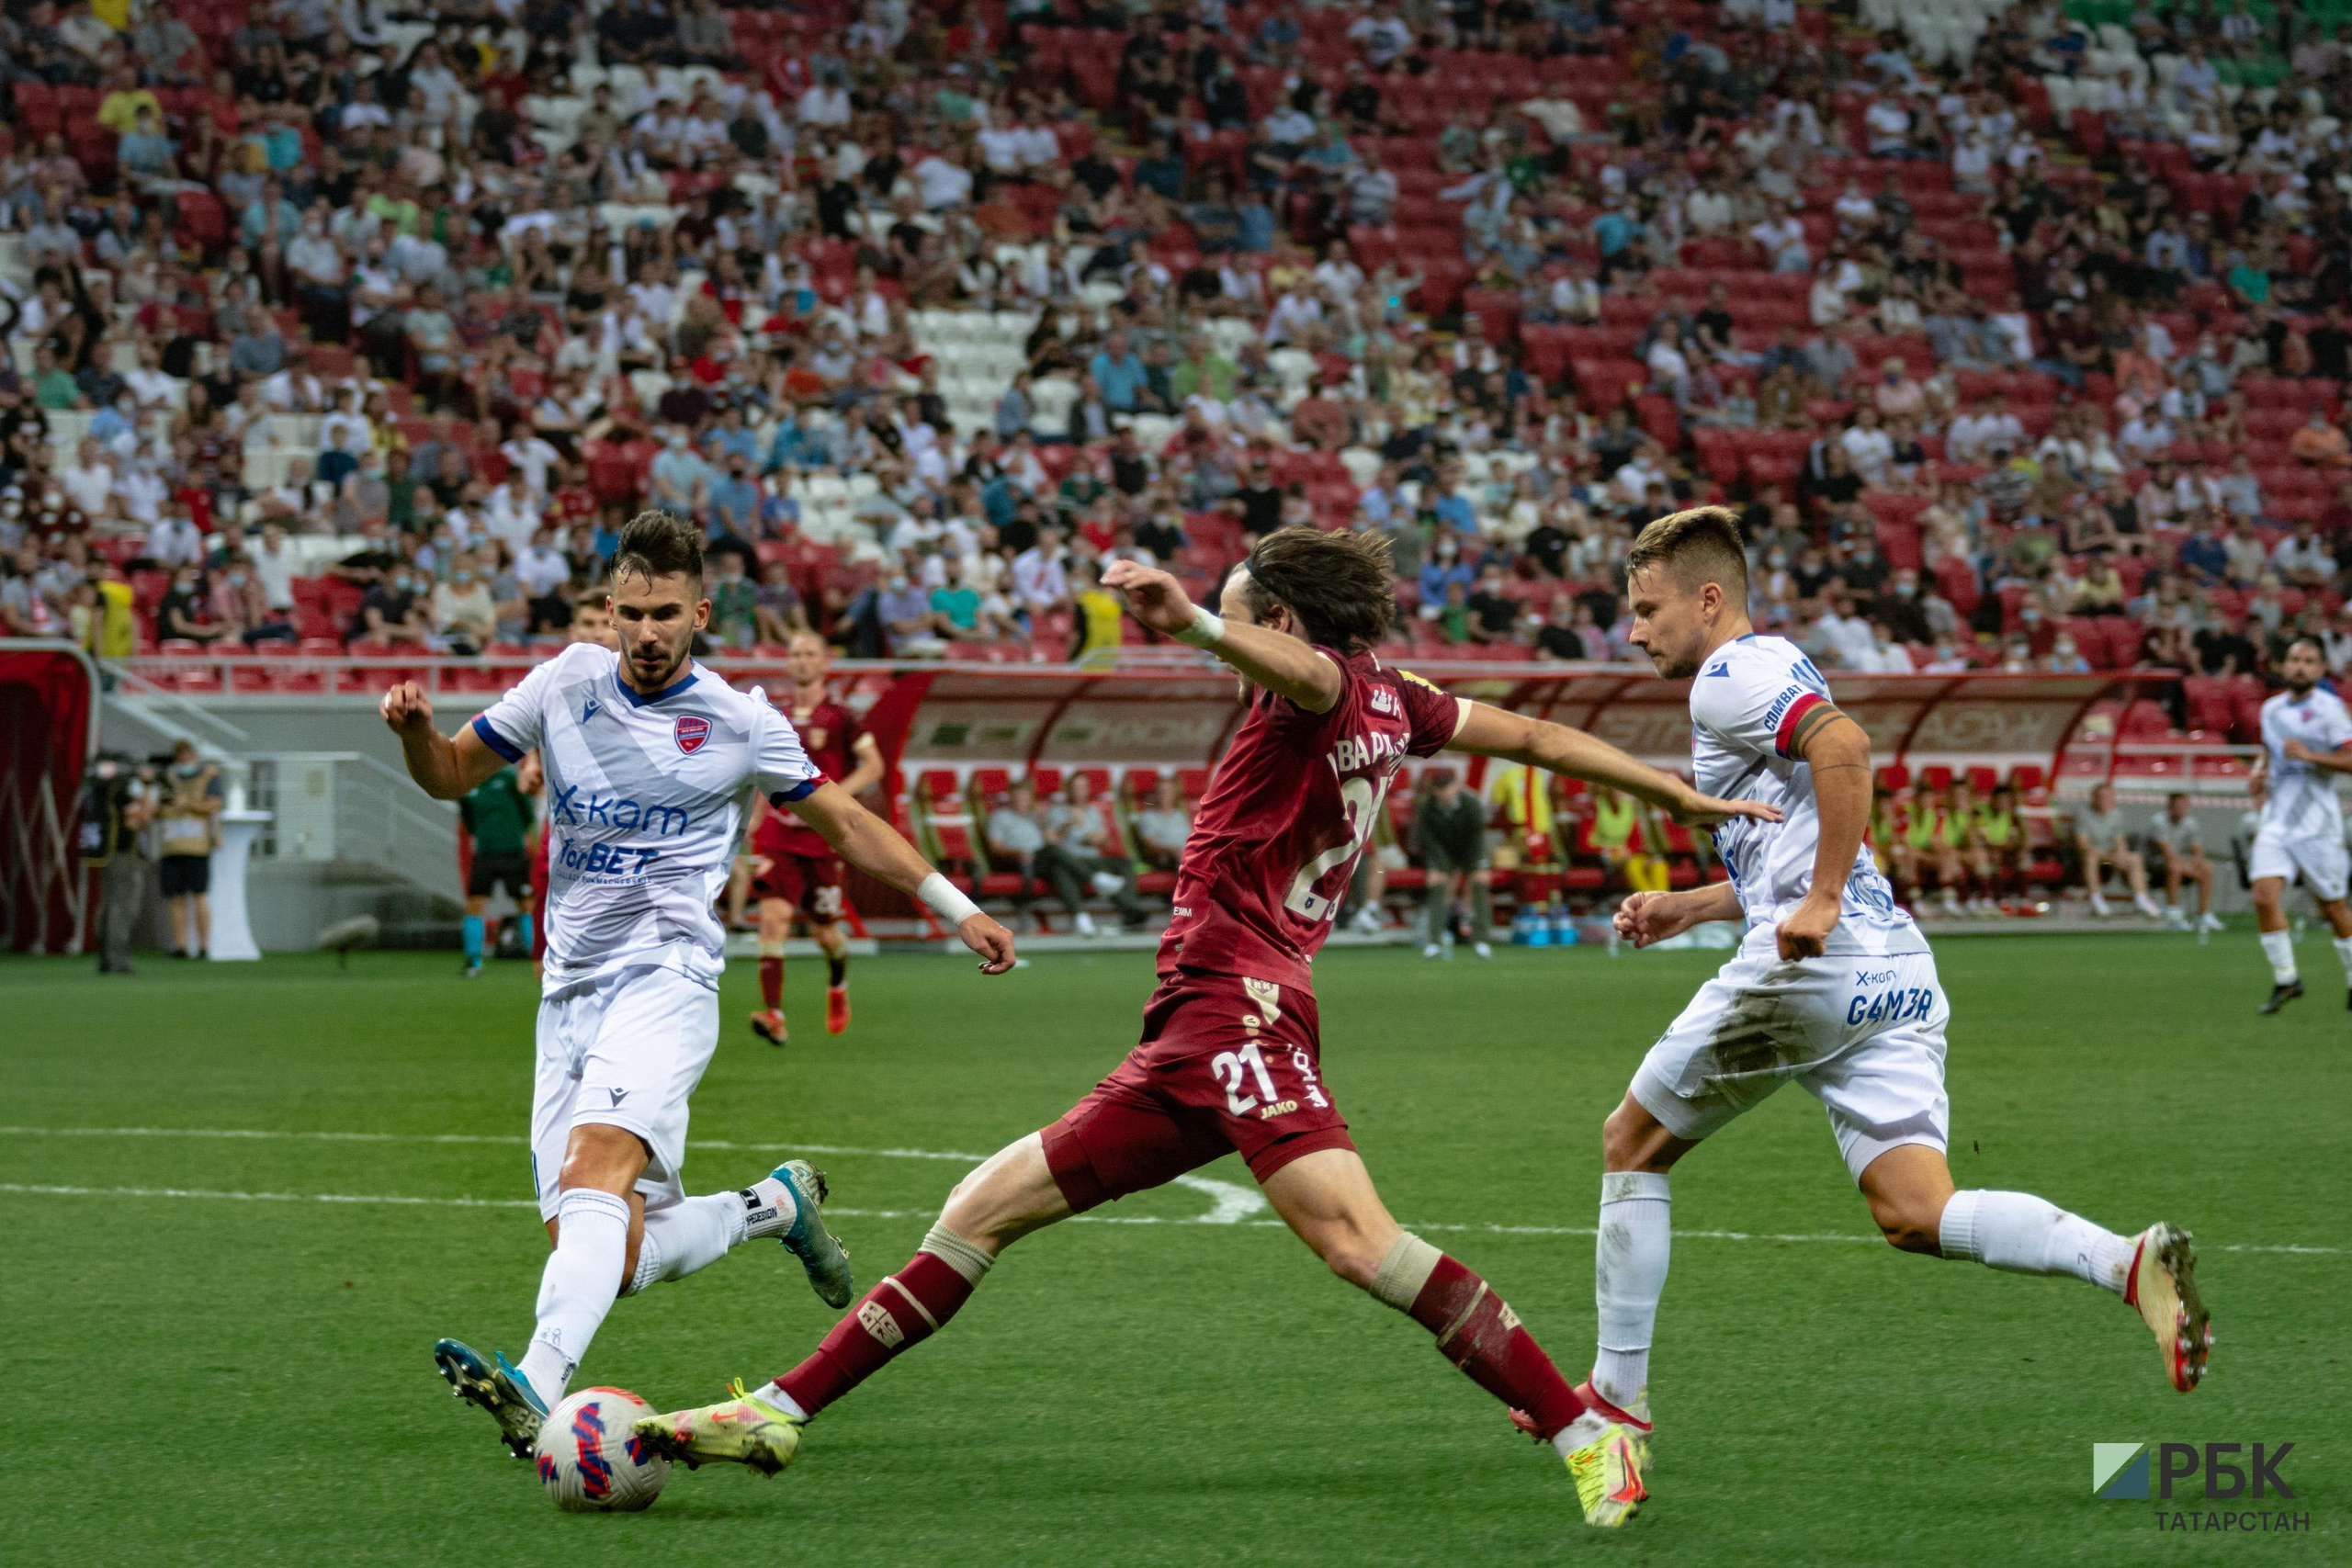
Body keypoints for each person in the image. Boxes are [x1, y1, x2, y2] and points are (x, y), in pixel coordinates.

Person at [628, 526, 1780, 1528]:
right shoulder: (1397, 696)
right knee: (980, 1210)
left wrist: (1185, 619)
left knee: (1358, 1245)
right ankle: (775, 1413)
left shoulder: (1318, 684)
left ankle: (1588, 1432)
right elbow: (1531, 738)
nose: (1230, 645)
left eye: (1239, 624)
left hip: (1243, 1015)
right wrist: (1667, 793)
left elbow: (1292, 665)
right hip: (1195, 1032)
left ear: (1275, 625)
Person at [381, 513, 1015, 1458]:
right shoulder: (561, 684)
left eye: (665, 614)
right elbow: (449, 777)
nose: (645, 632)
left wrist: (952, 902)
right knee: (609, 1249)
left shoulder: (738, 719)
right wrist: (417, 733)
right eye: (630, 613)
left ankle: (535, 1383)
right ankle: (772, 1207)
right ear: (609, 609)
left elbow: (843, 821)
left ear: (699, 614)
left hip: (667, 977)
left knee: (598, 1162)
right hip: (568, 996)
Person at [1598, 506, 2211, 1483]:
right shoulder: (1772, 665)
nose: (1634, 631)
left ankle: (1612, 1405)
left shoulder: (1728, 675)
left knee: (1630, 1143)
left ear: (1707, 600)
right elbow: (1795, 829)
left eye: (1646, 609)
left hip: (1819, 968)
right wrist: (1693, 905)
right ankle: (2123, 1262)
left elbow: (1843, 752)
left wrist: (1822, 900)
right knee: (1914, 1211)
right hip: (1896, 972)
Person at [743, 632, 884, 1046]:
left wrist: (837, 796)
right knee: (772, 921)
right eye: (795, 654)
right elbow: (758, 769)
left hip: (823, 837)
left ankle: (838, 987)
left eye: (810, 654)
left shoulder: (841, 717)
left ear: (825, 663)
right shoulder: (774, 714)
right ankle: (774, 1015)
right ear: (787, 664)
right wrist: (753, 818)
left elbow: (873, 765)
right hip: (779, 833)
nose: (802, 661)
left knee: (827, 936)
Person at [2246, 637, 2352, 1013]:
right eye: (2294, 660)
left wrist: (2309, 755)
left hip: (2318, 824)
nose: (2300, 667)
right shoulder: (2270, 708)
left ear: (2322, 669)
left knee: (2334, 909)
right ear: (2283, 666)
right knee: (2263, 896)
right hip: (2277, 819)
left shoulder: (2331, 710)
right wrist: (2259, 774)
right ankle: (2287, 978)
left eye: (2309, 661)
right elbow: (2268, 750)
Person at [1037, 771, 1150, 933]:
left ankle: (1129, 911)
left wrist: (1090, 838)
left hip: (1093, 859)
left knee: (1125, 863)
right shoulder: (1057, 811)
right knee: (1060, 869)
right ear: (1068, 789)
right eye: (1075, 787)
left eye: (1082, 787)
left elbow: (1104, 840)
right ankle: (1098, 905)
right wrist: (1069, 824)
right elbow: (1052, 844)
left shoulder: (1094, 812)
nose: (1079, 791)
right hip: (1071, 859)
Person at [458, 761, 535, 978]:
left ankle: (536, 957)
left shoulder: (509, 779)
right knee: (475, 904)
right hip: (485, 854)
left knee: (526, 903)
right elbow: (468, 819)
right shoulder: (467, 784)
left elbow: (526, 812)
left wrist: (514, 834)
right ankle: (474, 961)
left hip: (514, 853)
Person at [81, 754, 154, 975]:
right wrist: (147, 787)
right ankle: (118, 960)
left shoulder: (97, 791)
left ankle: (106, 958)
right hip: (122, 855)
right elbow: (141, 818)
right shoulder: (119, 794)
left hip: (105, 855)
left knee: (108, 906)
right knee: (122, 908)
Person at [1412, 767, 1490, 958]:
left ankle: (1481, 940)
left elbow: (1477, 836)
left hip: (1469, 850)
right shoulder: (1427, 806)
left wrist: (1479, 864)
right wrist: (1436, 866)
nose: (1443, 793)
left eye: (1447, 788)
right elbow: (1428, 838)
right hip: (1443, 852)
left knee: (1480, 883)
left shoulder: (1471, 803)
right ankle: (1435, 942)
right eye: (1439, 789)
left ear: (1456, 787)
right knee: (1438, 885)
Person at [155, 740, 224, 959]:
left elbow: (214, 805)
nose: (185, 762)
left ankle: (204, 947)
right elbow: (156, 807)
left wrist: (187, 803)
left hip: (197, 847)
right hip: (172, 846)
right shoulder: (166, 777)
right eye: (181, 758)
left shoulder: (208, 776)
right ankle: (181, 946)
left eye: (188, 757)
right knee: (175, 898)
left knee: (199, 895)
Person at [2074, 780, 2164, 920]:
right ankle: (2096, 900)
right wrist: (2109, 857)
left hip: (2108, 858)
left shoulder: (2116, 815)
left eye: (2108, 797)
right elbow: (2083, 845)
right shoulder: (2083, 814)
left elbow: (2119, 841)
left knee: (2134, 858)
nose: (2104, 800)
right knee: (2090, 857)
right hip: (2090, 858)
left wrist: (2120, 856)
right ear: (2094, 798)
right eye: (2101, 797)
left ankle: (2141, 899)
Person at [2146, 791, 2223, 940]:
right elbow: (2167, 853)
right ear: (2169, 807)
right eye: (2175, 806)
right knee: (2174, 867)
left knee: (2207, 867)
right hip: (2155, 865)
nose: (2179, 810)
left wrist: (2193, 864)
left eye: (2182, 806)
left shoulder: (2191, 823)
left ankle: (2203, 915)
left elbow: (2198, 850)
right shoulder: (2158, 822)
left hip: (2182, 864)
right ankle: (2173, 914)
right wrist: (2188, 868)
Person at [1132, 775, 1193, 871]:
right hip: (1164, 857)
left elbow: (1190, 838)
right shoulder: (1148, 817)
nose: (1165, 795)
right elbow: (1150, 846)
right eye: (1162, 792)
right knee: (1183, 861)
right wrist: (1173, 850)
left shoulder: (1179, 815)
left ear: (1174, 794)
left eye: (1169, 792)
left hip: (1186, 854)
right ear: (1156, 794)